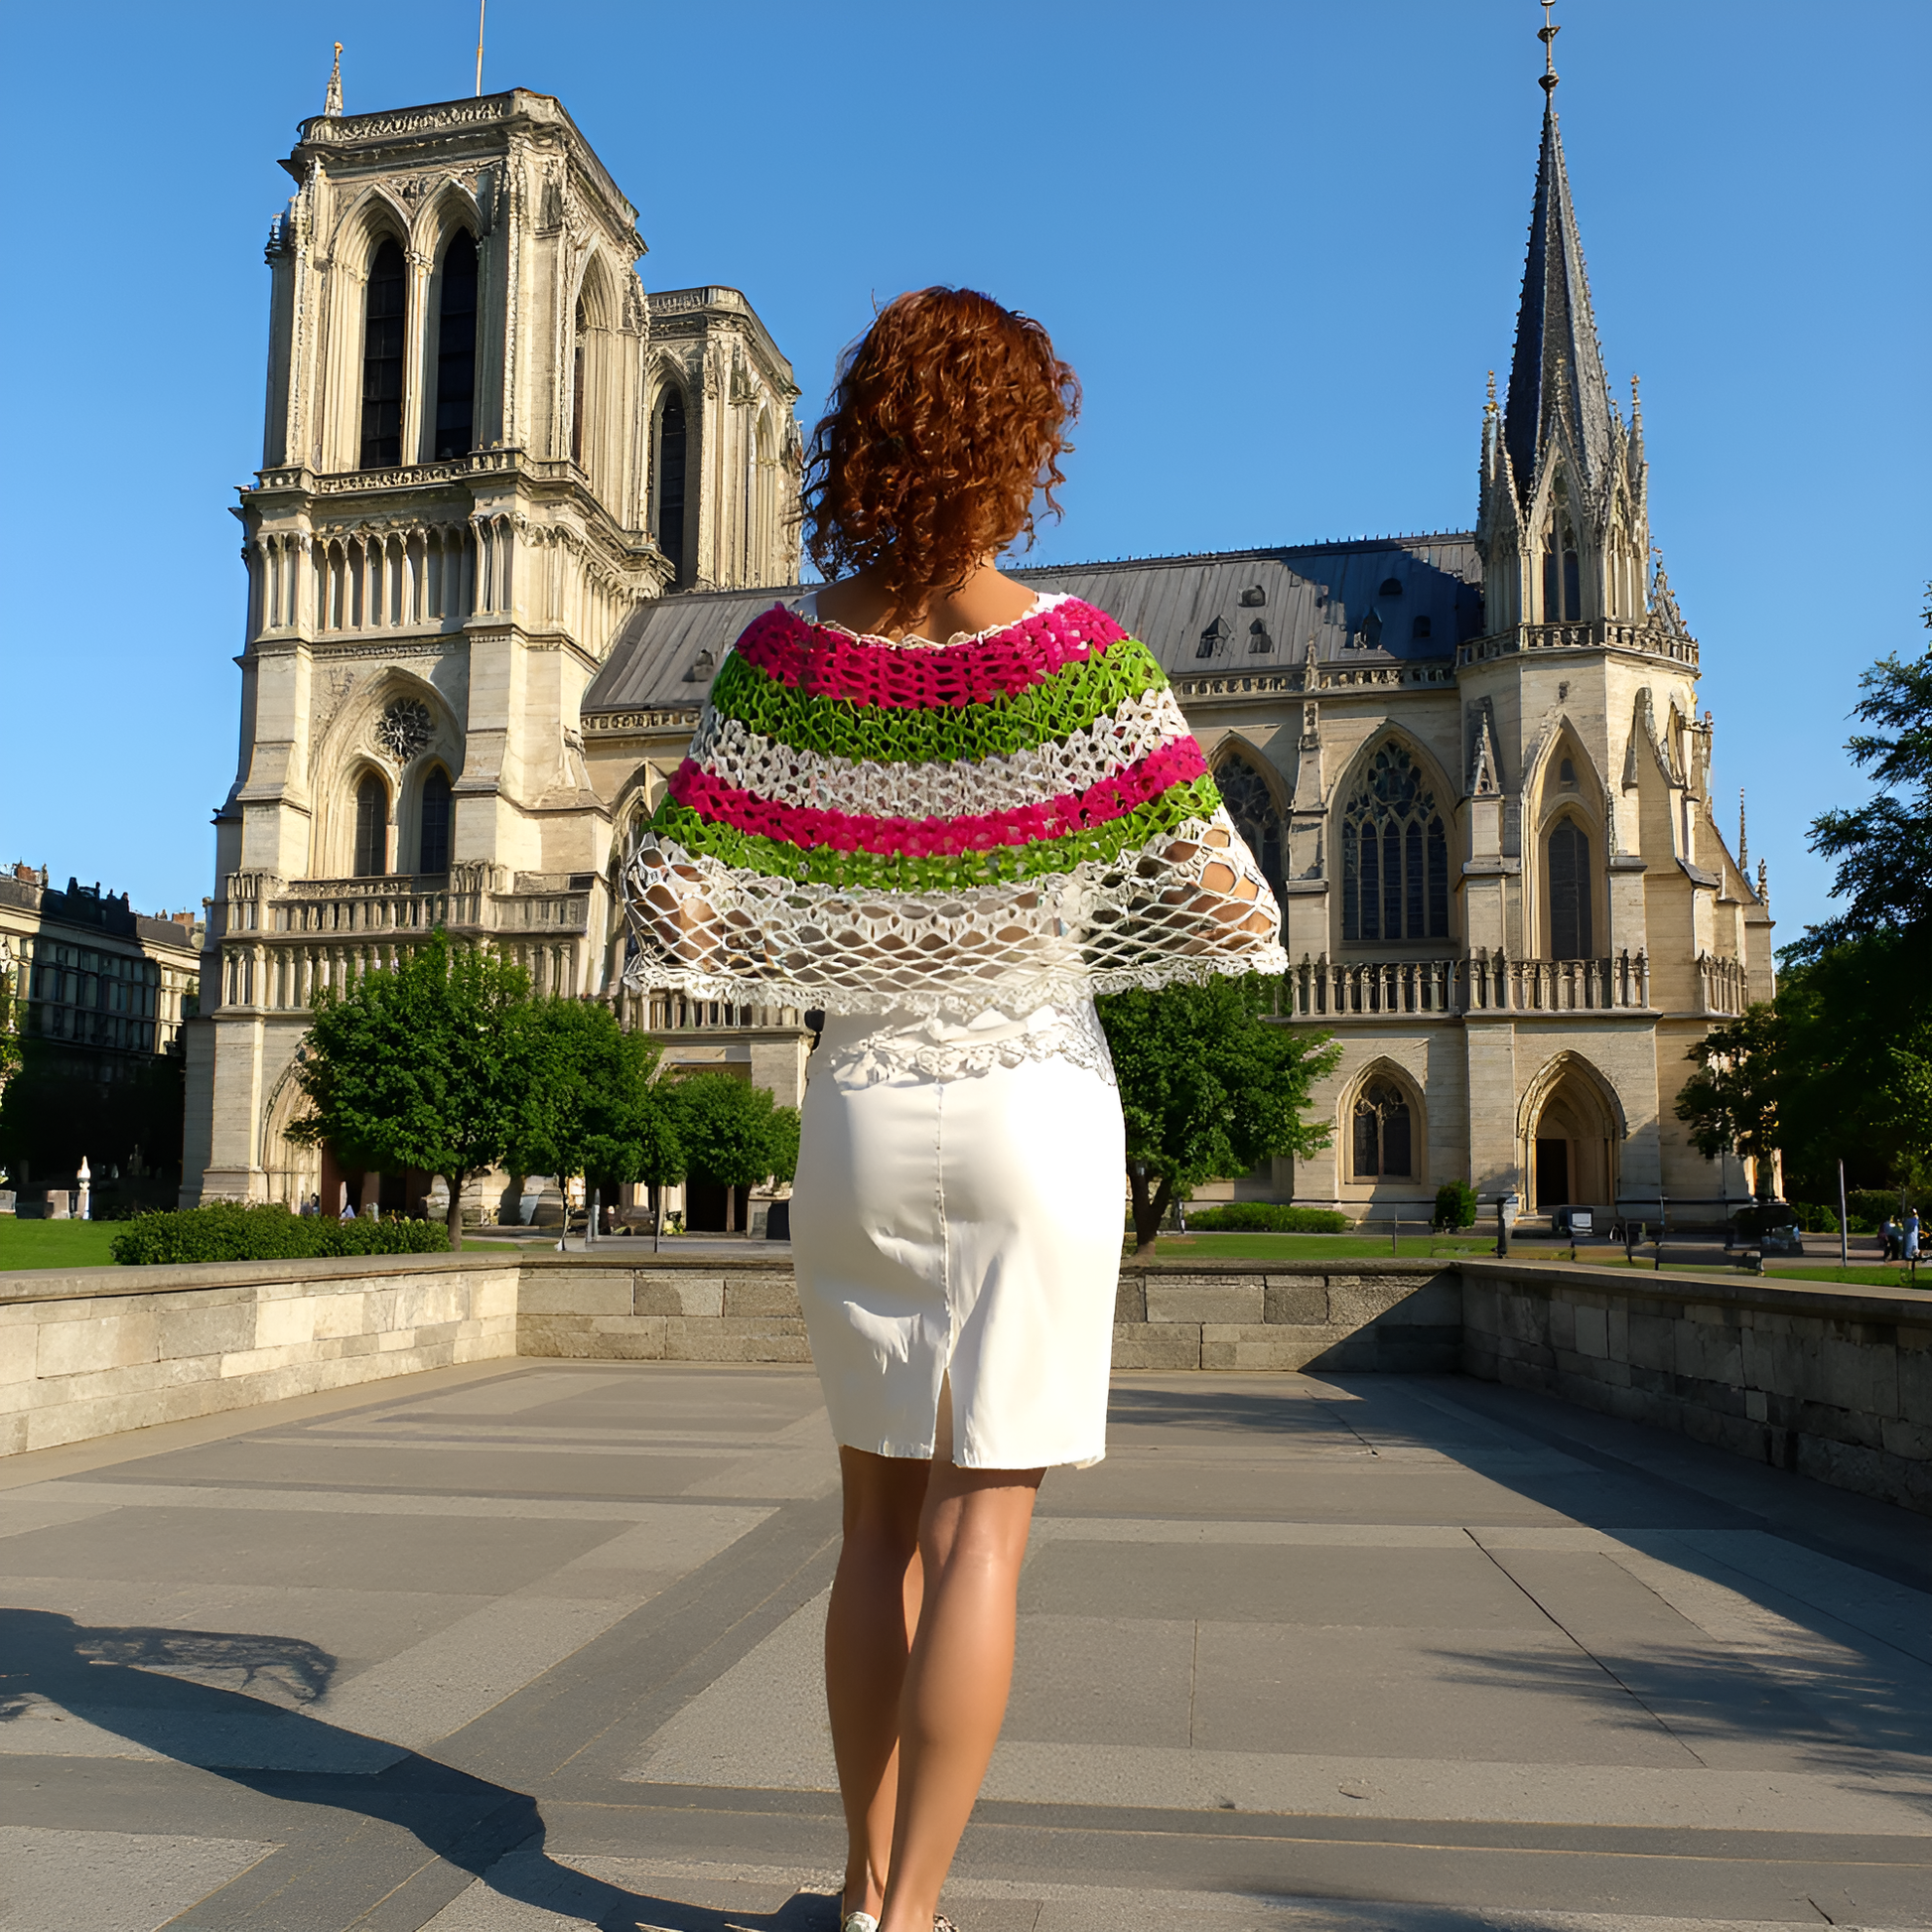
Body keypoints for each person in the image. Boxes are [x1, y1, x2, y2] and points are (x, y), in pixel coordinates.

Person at [622, 287, 1286, 1932]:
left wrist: (849, 901)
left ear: (865, 443)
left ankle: (857, 1882)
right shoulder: (1081, 659)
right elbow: (1221, 898)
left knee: (872, 1531)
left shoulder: (784, 654)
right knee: (987, 1536)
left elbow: (680, 910)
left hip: (859, 1103)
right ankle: (909, 1920)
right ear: (1019, 450)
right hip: (1035, 1103)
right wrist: (1036, 894)